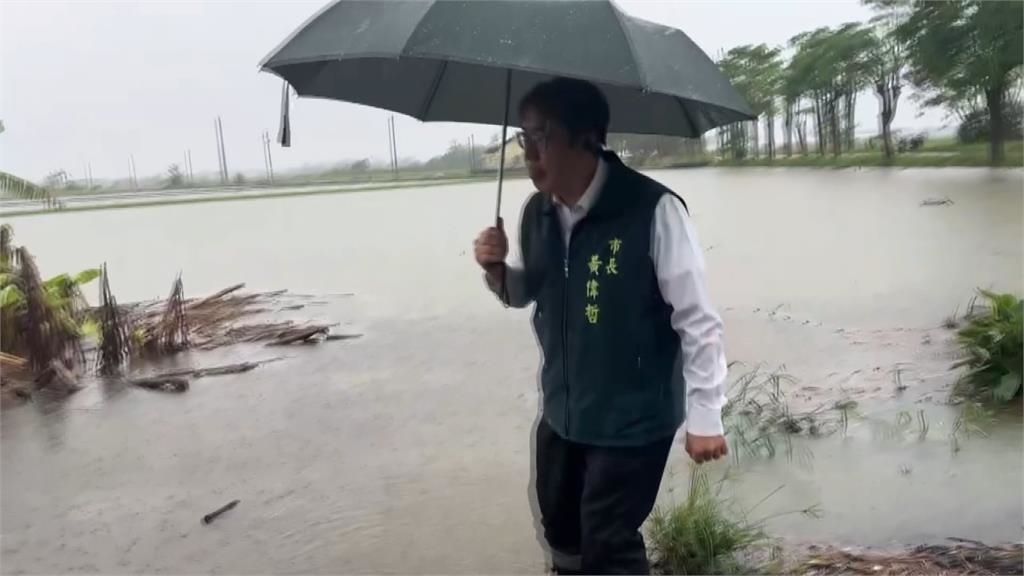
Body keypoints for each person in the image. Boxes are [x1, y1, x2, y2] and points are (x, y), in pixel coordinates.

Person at [473, 77, 728, 575]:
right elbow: (529, 292)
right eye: (522, 138)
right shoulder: (537, 213)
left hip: (633, 416)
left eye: (540, 136)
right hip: (565, 408)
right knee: (561, 530)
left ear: (586, 137)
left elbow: (696, 319)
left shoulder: (653, 210)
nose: (528, 152)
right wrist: (498, 271)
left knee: (609, 541)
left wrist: (706, 416)